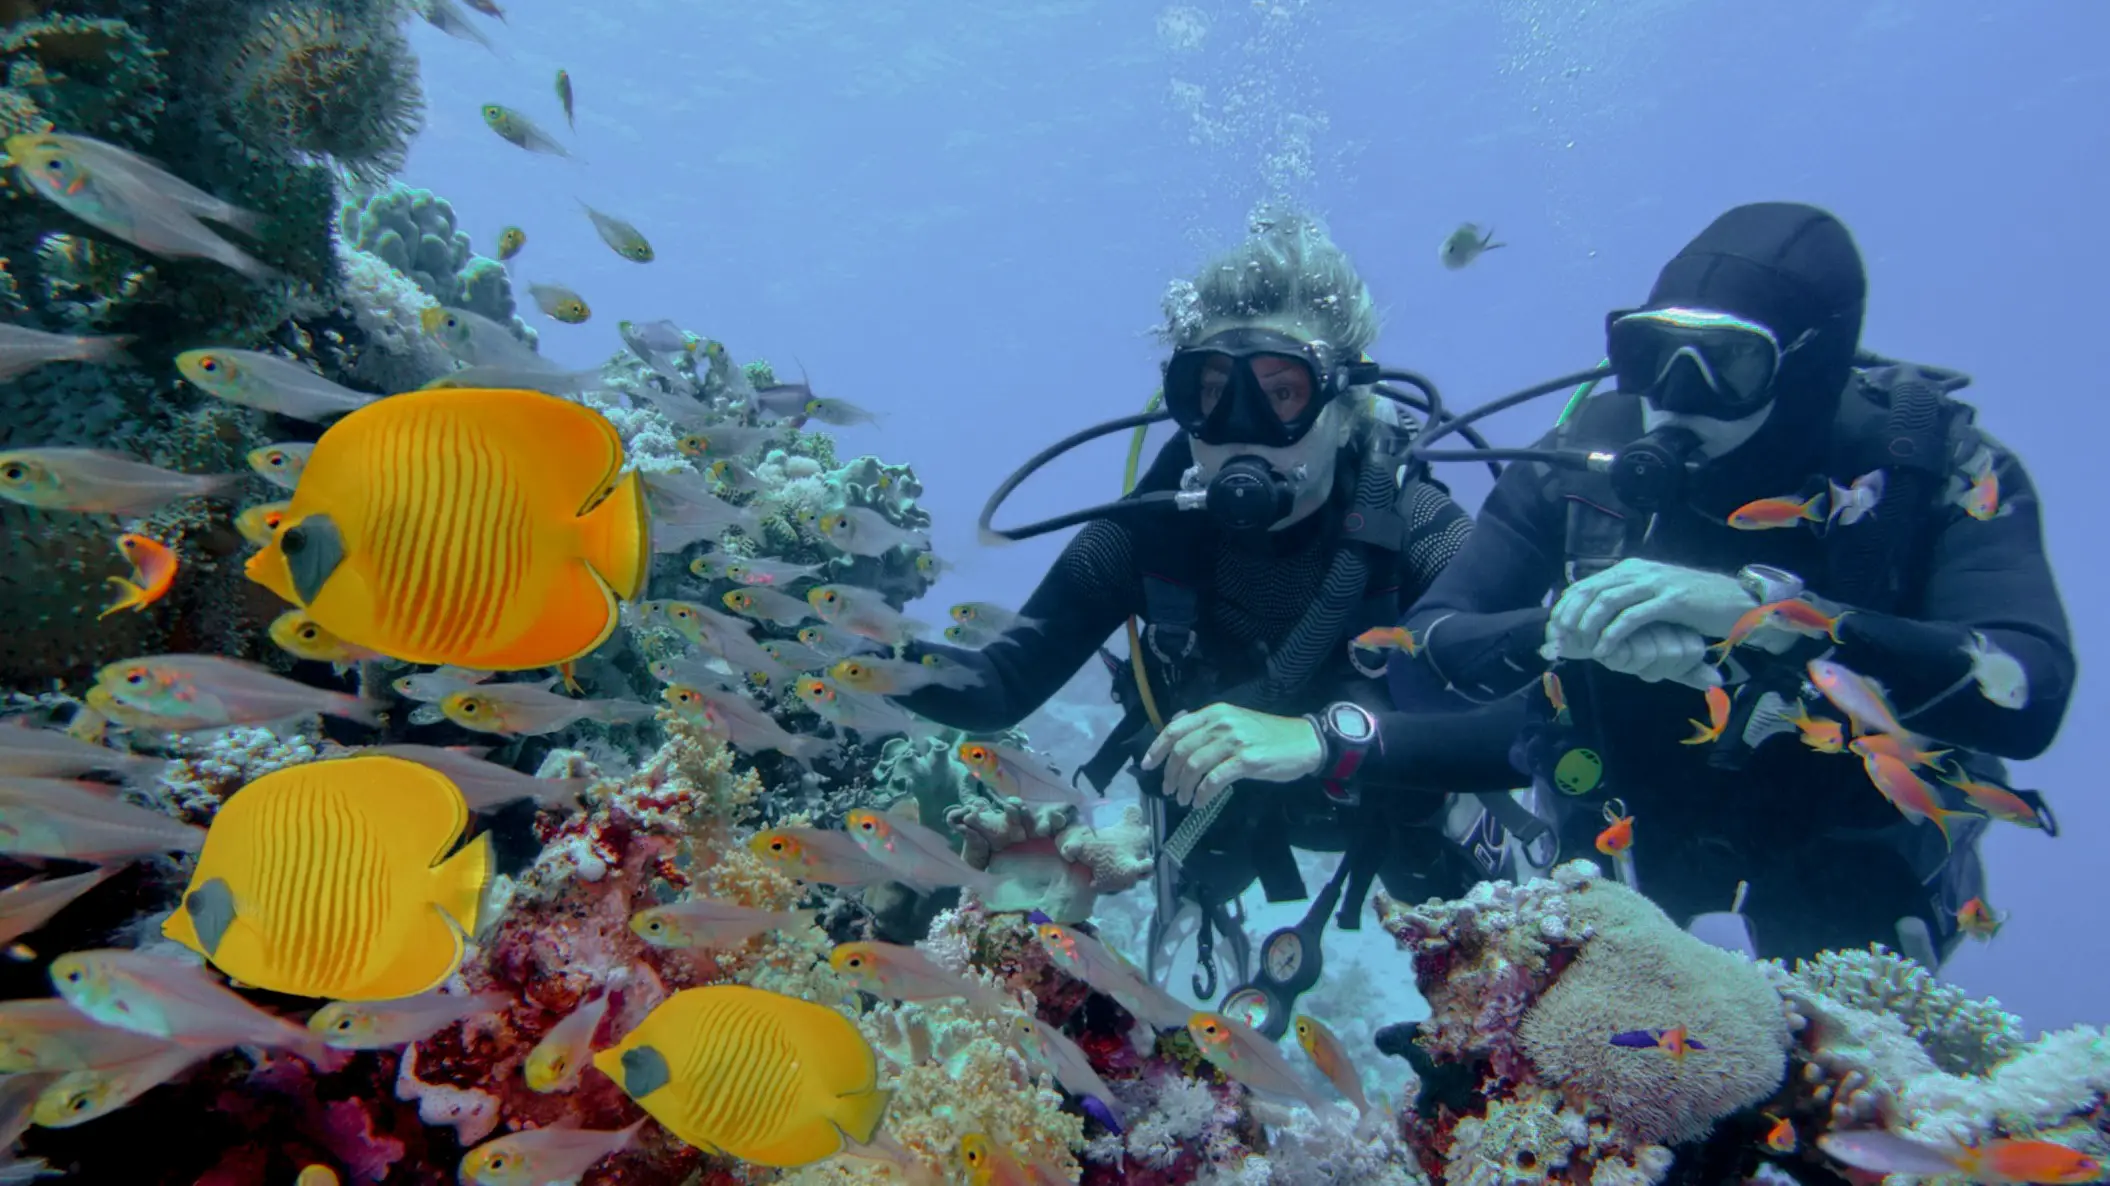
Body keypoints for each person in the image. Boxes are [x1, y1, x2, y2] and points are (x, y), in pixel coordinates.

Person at [1391, 201, 2074, 966]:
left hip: (1847, 849)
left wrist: (1777, 617)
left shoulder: (1929, 472)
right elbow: (1417, 660)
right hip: (1625, 841)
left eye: (1732, 364)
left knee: (1832, 1053)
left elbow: (2031, 691)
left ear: (1810, 365)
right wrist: (1567, 631)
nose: (1677, 395)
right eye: (1651, 354)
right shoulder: (1584, 464)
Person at [894, 211, 1526, 1034]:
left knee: (1468, 930)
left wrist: (1327, 740)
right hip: (1223, 812)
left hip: (1389, 798)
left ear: (1343, 402)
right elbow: (999, 681)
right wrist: (846, 647)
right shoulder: (1148, 530)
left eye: (1282, 394)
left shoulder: (1418, 525)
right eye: (1212, 395)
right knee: (1197, 878)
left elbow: (1532, 717)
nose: (1240, 435)